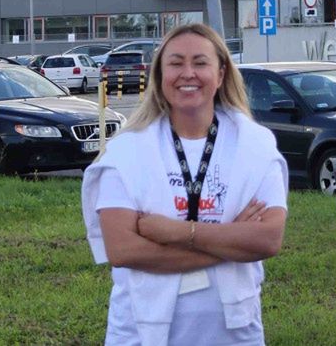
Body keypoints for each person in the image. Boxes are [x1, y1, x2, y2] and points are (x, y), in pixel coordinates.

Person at [81, 23, 288, 345]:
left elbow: (268, 240)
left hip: (234, 334)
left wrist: (176, 233)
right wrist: (230, 242)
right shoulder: (126, 152)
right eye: (176, 63)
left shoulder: (256, 146)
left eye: (200, 63)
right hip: (141, 333)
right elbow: (122, 249)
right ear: (160, 76)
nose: (187, 73)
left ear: (220, 74)